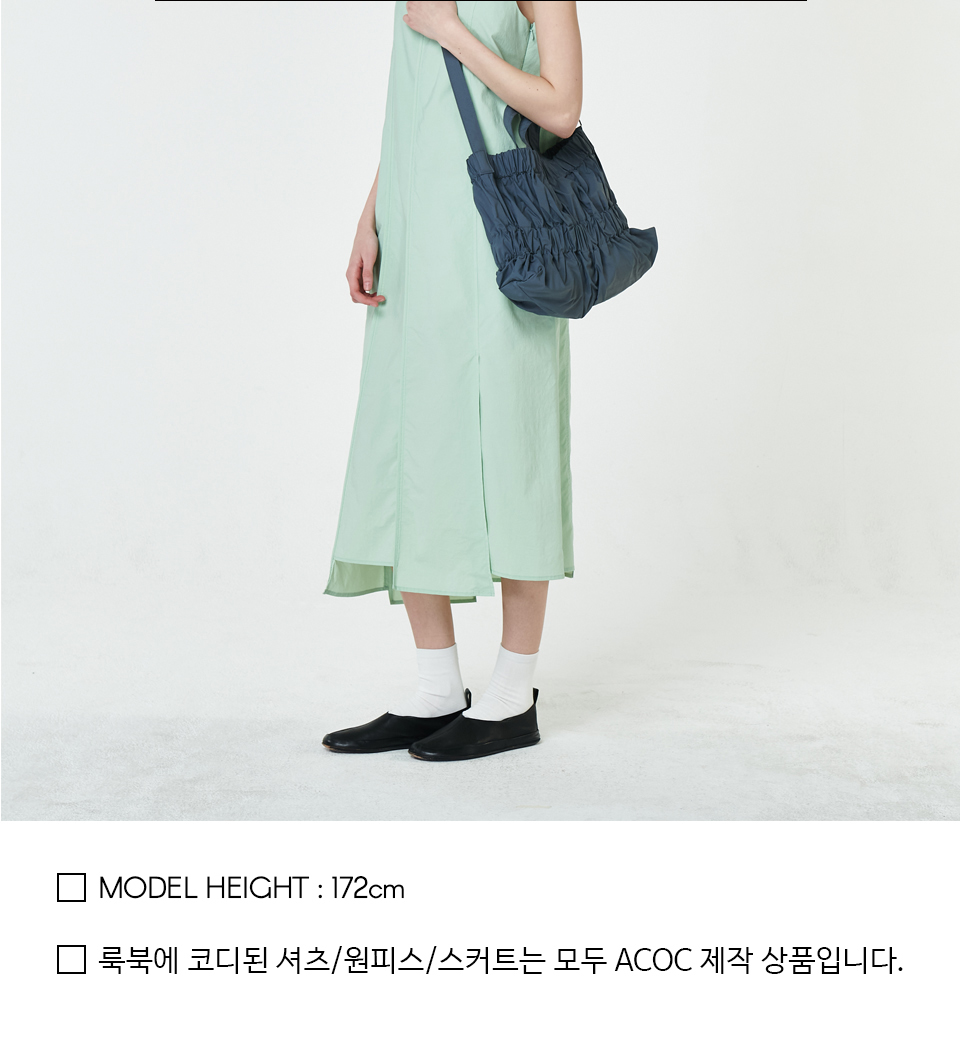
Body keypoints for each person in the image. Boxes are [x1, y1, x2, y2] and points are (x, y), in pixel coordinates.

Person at [322, 1, 582, 761]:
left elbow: (561, 109)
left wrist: (451, 30)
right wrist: (372, 215)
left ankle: (513, 695)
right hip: (415, 235)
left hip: (504, 234)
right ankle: (437, 685)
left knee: (513, 447)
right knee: (414, 440)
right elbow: (420, 106)